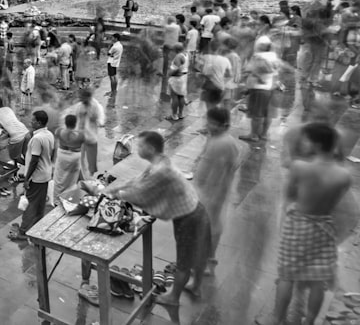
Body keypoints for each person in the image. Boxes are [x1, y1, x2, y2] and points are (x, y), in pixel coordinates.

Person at [100, 131, 210, 307]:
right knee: (193, 252)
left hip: (190, 217)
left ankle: (173, 298)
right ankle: (195, 286)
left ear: (150, 148)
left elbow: (140, 193)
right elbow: (138, 182)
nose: (137, 148)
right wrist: (115, 189)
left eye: (140, 145)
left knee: (184, 260)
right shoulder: (159, 162)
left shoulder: (161, 170)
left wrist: (116, 194)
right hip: (191, 210)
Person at [262, 122, 352, 325]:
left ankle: (278, 319)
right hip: (324, 227)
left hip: (299, 224)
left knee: (287, 275)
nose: (304, 144)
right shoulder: (344, 175)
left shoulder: (300, 167)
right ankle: (309, 321)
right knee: (317, 278)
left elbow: (291, 195)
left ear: (318, 145)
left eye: (307, 141)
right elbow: (336, 203)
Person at [193, 107, 240, 270]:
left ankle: (208, 261)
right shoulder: (215, 138)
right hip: (206, 190)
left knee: (211, 226)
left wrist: (214, 195)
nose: (209, 125)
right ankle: (205, 258)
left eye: (212, 123)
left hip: (214, 193)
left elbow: (224, 170)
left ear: (224, 125)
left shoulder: (225, 143)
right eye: (208, 121)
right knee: (205, 225)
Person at [10, 110, 55, 241]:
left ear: (39, 123)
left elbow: (34, 160)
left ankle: (23, 232)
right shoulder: (49, 135)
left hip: (36, 176)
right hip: (46, 174)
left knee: (29, 204)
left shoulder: (36, 139)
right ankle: (37, 228)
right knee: (39, 204)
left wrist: (27, 178)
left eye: (33, 120)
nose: (31, 122)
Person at [240, 36, 281, 143]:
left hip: (259, 89)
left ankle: (253, 135)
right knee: (268, 113)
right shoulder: (274, 56)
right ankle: (263, 134)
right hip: (271, 87)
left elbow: (250, 70)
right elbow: (276, 72)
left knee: (256, 114)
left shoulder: (258, 57)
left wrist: (245, 82)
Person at [62, 90, 105, 178]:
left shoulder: (97, 107)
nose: (80, 99)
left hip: (90, 138)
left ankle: (90, 177)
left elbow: (101, 122)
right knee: (78, 158)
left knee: (91, 161)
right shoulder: (79, 106)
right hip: (79, 136)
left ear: (88, 97)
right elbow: (74, 117)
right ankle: (80, 176)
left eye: (82, 98)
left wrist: (95, 119)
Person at [51, 114, 84, 204]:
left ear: (65, 123)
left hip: (62, 155)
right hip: (74, 157)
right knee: (72, 178)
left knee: (59, 177)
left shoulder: (59, 131)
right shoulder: (80, 135)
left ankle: (57, 200)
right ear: (75, 123)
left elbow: (55, 136)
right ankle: (69, 198)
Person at [0, 97, 29, 166]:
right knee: (27, 155)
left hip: (16, 136)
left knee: (15, 157)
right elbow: (10, 124)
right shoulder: (8, 109)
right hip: (25, 131)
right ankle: (31, 170)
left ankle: (32, 168)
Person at [166, 42, 189, 121]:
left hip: (176, 79)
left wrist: (169, 74)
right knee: (181, 96)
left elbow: (175, 68)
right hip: (183, 78)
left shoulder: (178, 56)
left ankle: (174, 115)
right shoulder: (186, 54)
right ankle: (181, 114)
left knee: (174, 96)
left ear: (176, 50)